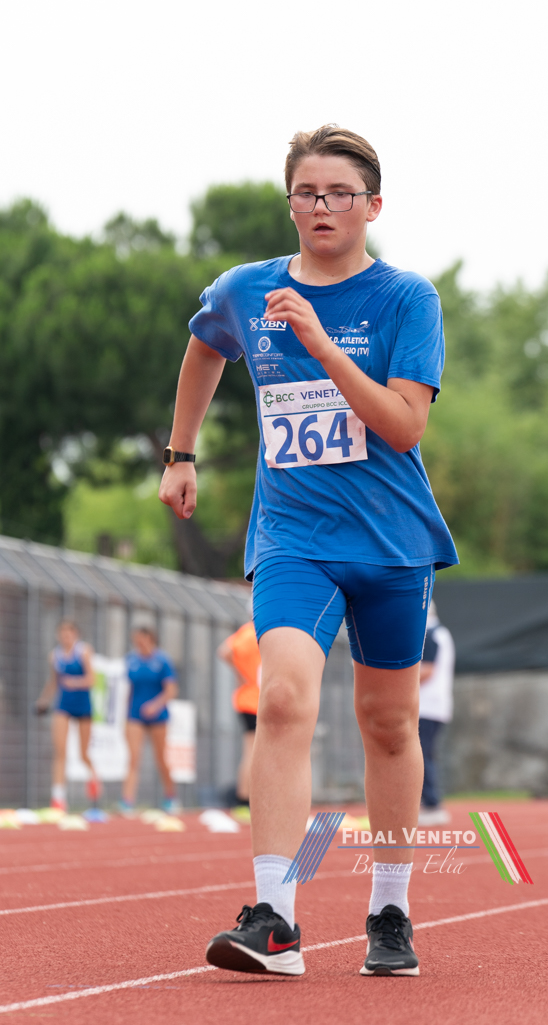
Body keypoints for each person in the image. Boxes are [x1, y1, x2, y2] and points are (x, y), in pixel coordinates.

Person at [159, 125, 457, 978]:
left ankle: (390, 910)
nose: (321, 206)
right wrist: (181, 454)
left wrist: (322, 344)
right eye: (306, 193)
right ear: (289, 202)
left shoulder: (406, 299)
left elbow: (403, 427)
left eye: (339, 194)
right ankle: (276, 918)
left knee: (388, 723)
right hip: (294, 537)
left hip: (391, 541)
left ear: (372, 206)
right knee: (284, 700)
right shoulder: (247, 290)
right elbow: (203, 347)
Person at [36, 619, 100, 810]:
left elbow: (92, 679)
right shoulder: (54, 655)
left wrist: (75, 682)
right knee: (60, 751)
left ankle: (94, 776)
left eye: (69, 633)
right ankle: (58, 798)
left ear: (75, 634)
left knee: (83, 753)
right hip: (63, 706)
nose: (66, 637)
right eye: (62, 633)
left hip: (83, 706)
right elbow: (54, 681)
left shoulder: (84, 651)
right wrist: (43, 700)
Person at [121, 626, 179, 816]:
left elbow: (171, 690)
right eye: (136, 640)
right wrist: (125, 716)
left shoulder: (162, 661)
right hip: (135, 715)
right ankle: (127, 800)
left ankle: (170, 797)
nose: (139, 643)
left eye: (142, 639)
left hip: (158, 717)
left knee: (161, 758)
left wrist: (155, 705)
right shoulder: (131, 660)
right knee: (133, 758)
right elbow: (129, 690)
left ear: (150, 639)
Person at [418, 600, 455, 825]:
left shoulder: (430, 634)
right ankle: (429, 803)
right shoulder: (441, 634)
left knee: (421, 755)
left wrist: (394, 685)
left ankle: (431, 804)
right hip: (434, 706)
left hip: (427, 706)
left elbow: (427, 671)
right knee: (425, 755)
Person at [218, 618, 262, 807]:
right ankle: (244, 797)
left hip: (248, 698)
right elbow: (224, 652)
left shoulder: (246, 632)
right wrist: (242, 675)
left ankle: (246, 796)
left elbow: (224, 652)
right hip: (256, 700)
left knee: (253, 749)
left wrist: (240, 674)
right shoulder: (258, 631)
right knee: (253, 750)